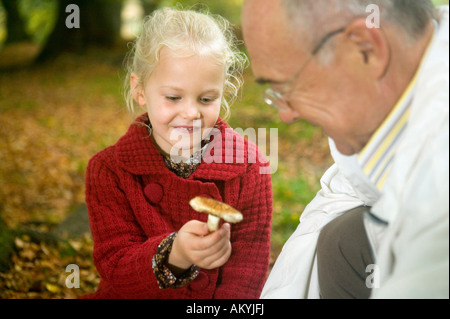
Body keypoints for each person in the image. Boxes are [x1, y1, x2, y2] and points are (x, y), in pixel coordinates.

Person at [242, 0, 449, 298]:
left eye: (285, 87)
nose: (286, 115)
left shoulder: (438, 190)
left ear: (365, 49)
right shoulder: (386, 116)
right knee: (343, 238)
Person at [82, 7, 272, 299]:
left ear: (223, 92)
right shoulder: (109, 170)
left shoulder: (250, 168)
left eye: (206, 99)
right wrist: (176, 253)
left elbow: (248, 274)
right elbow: (115, 265)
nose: (190, 113)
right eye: (173, 97)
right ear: (140, 89)